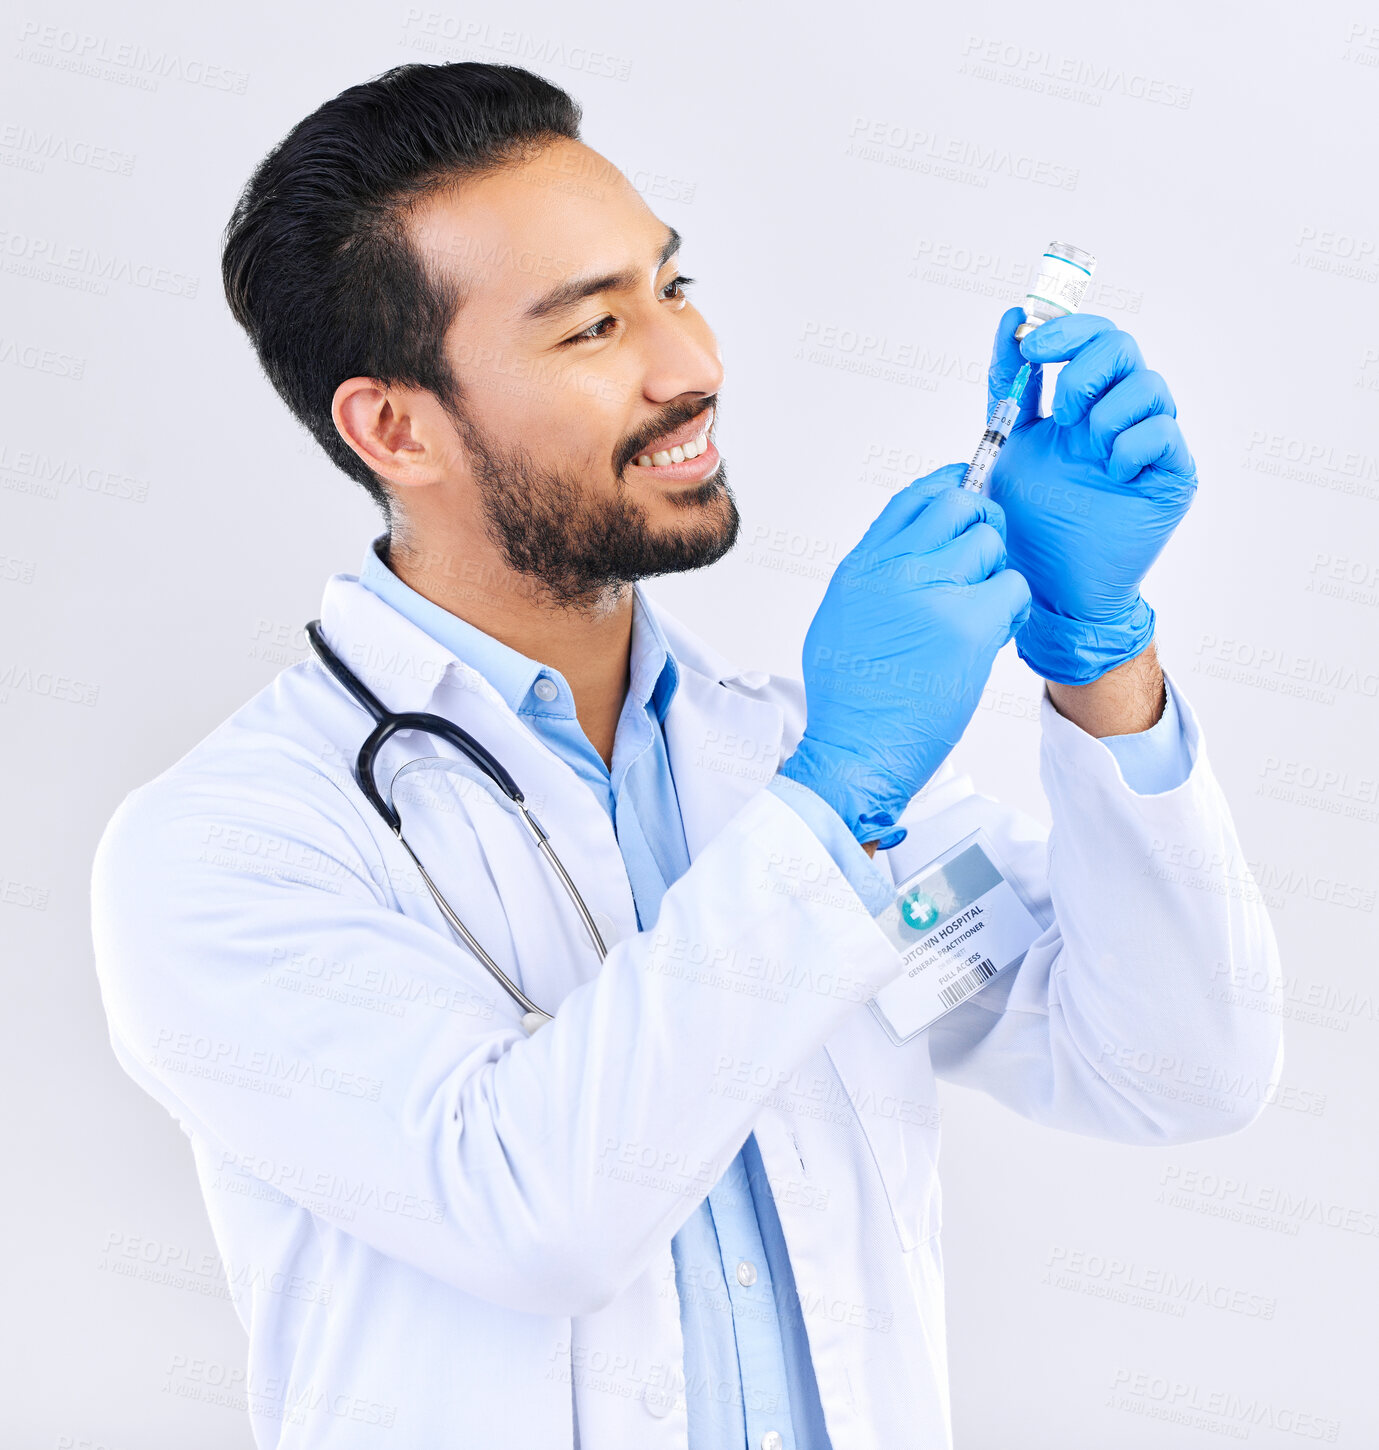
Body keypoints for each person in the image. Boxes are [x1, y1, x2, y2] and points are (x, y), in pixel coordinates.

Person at [90, 61, 1284, 1450]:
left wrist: (1102, 657)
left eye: (672, 283)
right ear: (394, 426)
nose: (691, 364)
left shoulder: (771, 757)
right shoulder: (227, 844)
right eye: (595, 326)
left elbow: (1178, 1066)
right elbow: (532, 1209)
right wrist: (835, 800)